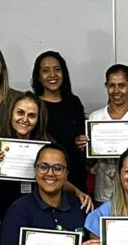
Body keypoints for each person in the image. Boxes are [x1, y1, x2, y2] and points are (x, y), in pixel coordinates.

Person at [0, 144, 92, 245]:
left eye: (58, 168)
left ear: (66, 174)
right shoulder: (18, 210)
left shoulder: (81, 208)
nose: (50, 173)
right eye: (43, 167)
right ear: (35, 170)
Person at [79, 64, 128, 203]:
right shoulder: (96, 117)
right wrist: (84, 149)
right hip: (104, 193)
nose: (116, 91)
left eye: (122, 85)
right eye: (111, 85)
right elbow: (90, 163)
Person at [31, 50, 87, 191]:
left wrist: (83, 143)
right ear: (38, 77)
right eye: (45, 71)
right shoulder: (34, 105)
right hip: (46, 179)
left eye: (57, 69)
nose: (52, 75)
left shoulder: (74, 102)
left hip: (75, 175)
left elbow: (82, 139)